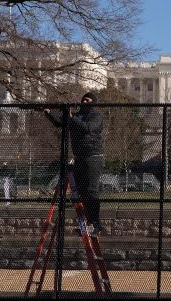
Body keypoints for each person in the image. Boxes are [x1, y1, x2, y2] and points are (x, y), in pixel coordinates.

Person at [43, 92, 104, 236]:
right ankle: (89, 224)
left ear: (93, 103)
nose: (84, 102)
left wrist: (71, 117)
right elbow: (60, 123)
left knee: (91, 191)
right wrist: (49, 113)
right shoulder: (76, 116)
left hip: (93, 157)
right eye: (83, 99)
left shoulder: (97, 116)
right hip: (79, 158)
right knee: (82, 191)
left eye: (88, 100)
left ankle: (96, 224)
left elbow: (88, 128)